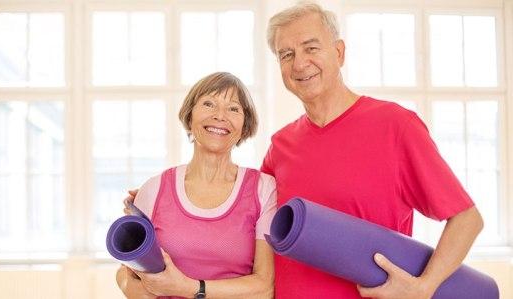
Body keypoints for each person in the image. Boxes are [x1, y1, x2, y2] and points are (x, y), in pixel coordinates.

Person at [261, 2, 484, 298]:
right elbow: (256, 229)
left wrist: (424, 287)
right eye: (286, 54)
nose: (299, 63)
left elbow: (467, 219)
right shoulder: (280, 145)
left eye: (311, 48)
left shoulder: (396, 126)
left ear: (339, 53)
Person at [115, 72, 276, 299]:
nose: (220, 116)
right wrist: (138, 291)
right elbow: (128, 273)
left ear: (245, 124)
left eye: (233, 108)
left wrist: (189, 288)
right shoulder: (154, 190)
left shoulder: (263, 189)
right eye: (209, 103)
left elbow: (264, 289)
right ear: (190, 116)